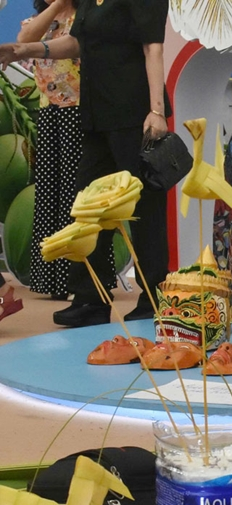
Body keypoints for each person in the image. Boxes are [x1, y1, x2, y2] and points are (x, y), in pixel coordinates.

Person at [0, 0, 172, 327]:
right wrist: (22, 50)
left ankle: (153, 296)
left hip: (134, 112)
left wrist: (156, 110)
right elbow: (76, 43)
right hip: (95, 113)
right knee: (87, 206)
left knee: (145, 206)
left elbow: (153, 47)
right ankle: (90, 299)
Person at [17, 0, 82, 301]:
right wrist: (55, 7)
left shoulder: (83, 19)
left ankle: (76, 279)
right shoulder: (40, 21)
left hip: (78, 111)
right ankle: (49, 279)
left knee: (73, 194)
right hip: (49, 111)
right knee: (48, 193)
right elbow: (23, 41)